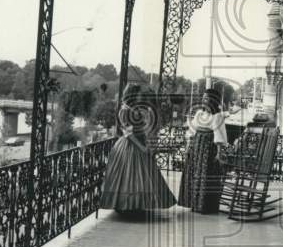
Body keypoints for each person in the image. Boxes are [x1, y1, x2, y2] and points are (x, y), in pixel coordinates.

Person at [99, 84, 176, 216]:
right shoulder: (124, 110)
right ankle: (127, 206)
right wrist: (141, 147)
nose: (141, 97)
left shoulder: (133, 108)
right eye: (139, 94)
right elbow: (128, 133)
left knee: (140, 176)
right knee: (130, 176)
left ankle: (137, 205)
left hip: (139, 143)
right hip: (130, 145)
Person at [178, 86, 240, 213]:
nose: (203, 101)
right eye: (203, 98)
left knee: (205, 175)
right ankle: (193, 203)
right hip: (196, 146)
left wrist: (219, 152)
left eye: (206, 98)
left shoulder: (216, 116)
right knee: (195, 173)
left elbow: (218, 135)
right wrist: (188, 146)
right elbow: (192, 130)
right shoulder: (199, 114)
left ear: (212, 101)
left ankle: (205, 205)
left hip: (208, 147)